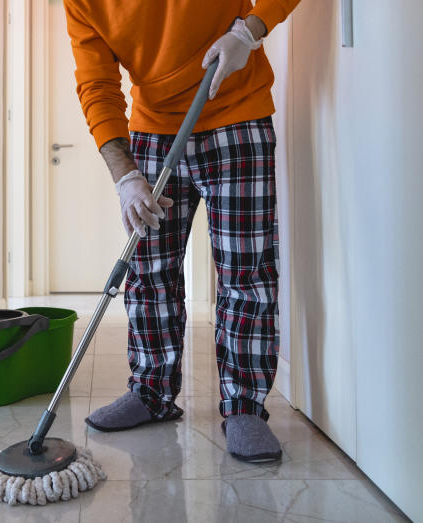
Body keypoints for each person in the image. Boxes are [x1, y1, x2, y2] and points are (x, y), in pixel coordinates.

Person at [65, 0, 300, 462]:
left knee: (245, 272)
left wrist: (249, 31)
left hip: (238, 115)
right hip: (152, 132)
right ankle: (151, 391)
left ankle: (244, 407)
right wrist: (125, 177)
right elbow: (96, 84)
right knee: (150, 269)